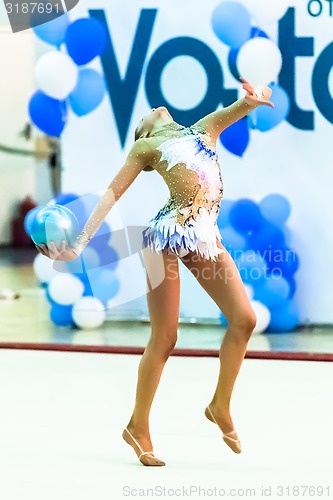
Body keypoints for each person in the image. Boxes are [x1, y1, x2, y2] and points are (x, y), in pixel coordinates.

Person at [36, 77, 274, 467]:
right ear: (144, 130)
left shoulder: (202, 128)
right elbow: (111, 196)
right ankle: (137, 426)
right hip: (162, 237)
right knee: (165, 336)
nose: (154, 108)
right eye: (145, 116)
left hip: (202, 236)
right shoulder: (146, 146)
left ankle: (219, 405)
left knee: (244, 319)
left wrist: (254, 98)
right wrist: (78, 245)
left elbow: (236, 109)